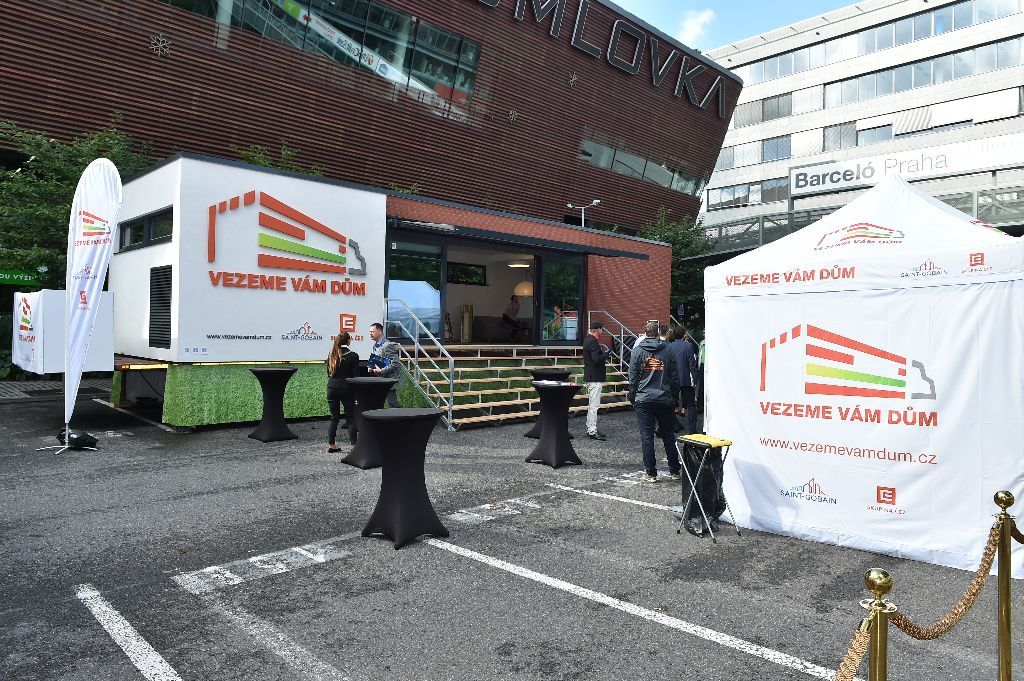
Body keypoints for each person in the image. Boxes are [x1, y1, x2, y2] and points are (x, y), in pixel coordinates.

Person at [628, 321, 682, 483]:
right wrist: (674, 397)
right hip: (664, 398)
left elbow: (633, 378)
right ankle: (675, 471)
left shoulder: (638, 351)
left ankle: (651, 473)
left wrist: (632, 397)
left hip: (644, 398)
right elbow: (674, 376)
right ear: (658, 333)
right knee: (668, 435)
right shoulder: (668, 350)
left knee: (647, 437)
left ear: (645, 333)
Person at [326, 331, 359, 453]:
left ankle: (332, 445)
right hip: (347, 389)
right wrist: (356, 395)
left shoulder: (332, 354)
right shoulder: (353, 356)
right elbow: (355, 377)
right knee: (350, 418)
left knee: (334, 418)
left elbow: (328, 373)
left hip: (331, 388)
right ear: (349, 341)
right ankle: (354, 446)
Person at [582, 321, 613, 441]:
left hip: (591, 376)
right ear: (598, 330)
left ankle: (591, 428)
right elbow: (596, 359)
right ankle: (592, 431)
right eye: (601, 329)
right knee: (594, 406)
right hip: (595, 377)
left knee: (592, 405)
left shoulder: (587, 339)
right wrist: (607, 353)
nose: (602, 331)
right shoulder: (593, 342)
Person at [668, 325, 699, 435]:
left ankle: (671, 427)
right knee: (691, 405)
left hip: (672, 379)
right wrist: (695, 380)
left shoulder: (669, 346)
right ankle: (692, 430)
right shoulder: (688, 345)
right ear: (684, 334)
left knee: (671, 404)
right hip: (686, 379)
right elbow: (692, 364)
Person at [368, 322, 401, 407]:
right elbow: (377, 359)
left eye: (372, 332)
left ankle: (401, 415)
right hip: (379, 379)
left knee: (392, 403)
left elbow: (395, 363)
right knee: (378, 402)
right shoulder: (375, 345)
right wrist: (371, 366)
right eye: (370, 332)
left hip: (388, 380)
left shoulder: (387, 345)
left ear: (380, 331)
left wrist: (381, 370)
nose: (370, 334)